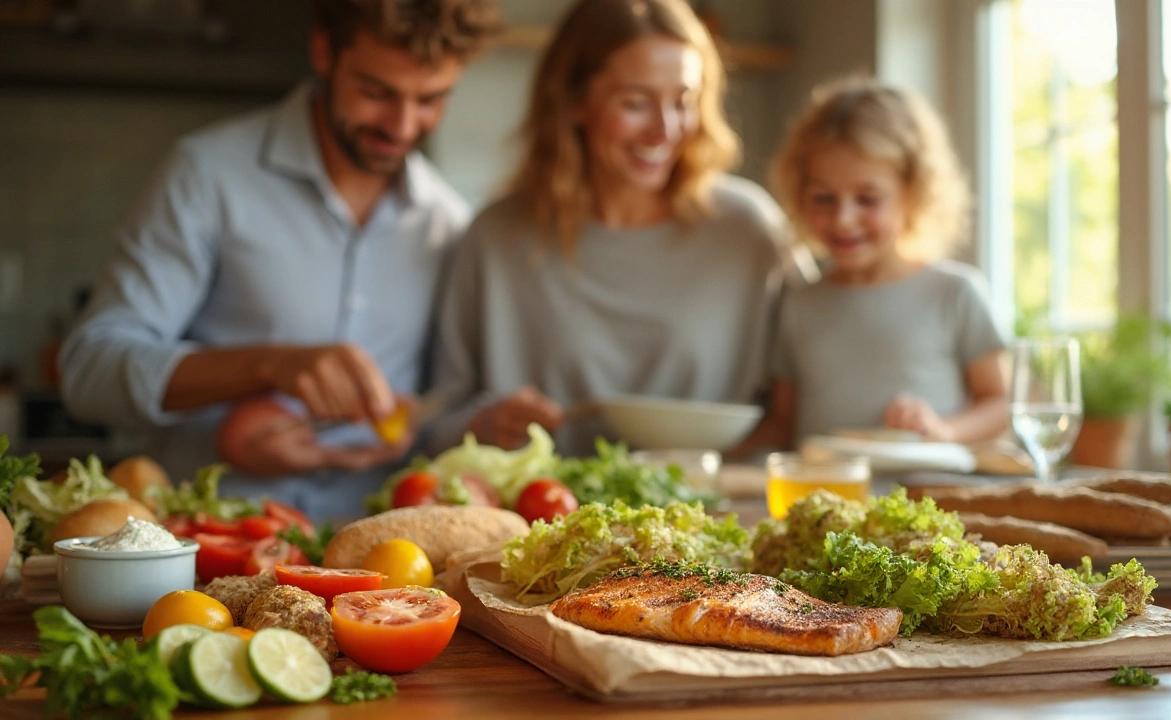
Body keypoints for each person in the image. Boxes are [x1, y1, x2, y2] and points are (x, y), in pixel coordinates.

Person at [58, 0, 503, 521]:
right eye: (376, 92)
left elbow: (437, 409)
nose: (403, 125)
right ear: (323, 51)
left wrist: (440, 423)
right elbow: (89, 370)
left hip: (374, 564)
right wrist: (268, 366)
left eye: (431, 99)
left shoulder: (447, 221)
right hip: (207, 545)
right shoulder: (207, 177)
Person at [428, 0, 807, 456]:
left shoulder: (749, 229)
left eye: (683, 101)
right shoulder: (496, 238)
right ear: (574, 102)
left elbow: (820, 372)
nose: (665, 130)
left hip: (718, 516)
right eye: (635, 103)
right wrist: (488, 424)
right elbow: (432, 427)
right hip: (547, 517)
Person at [749, 76, 1008, 449]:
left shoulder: (955, 293)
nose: (843, 219)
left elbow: (999, 404)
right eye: (823, 198)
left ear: (913, 193)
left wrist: (943, 429)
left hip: (925, 500)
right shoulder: (798, 302)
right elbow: (783, 423)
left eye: (868, 199)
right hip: (825, 499)